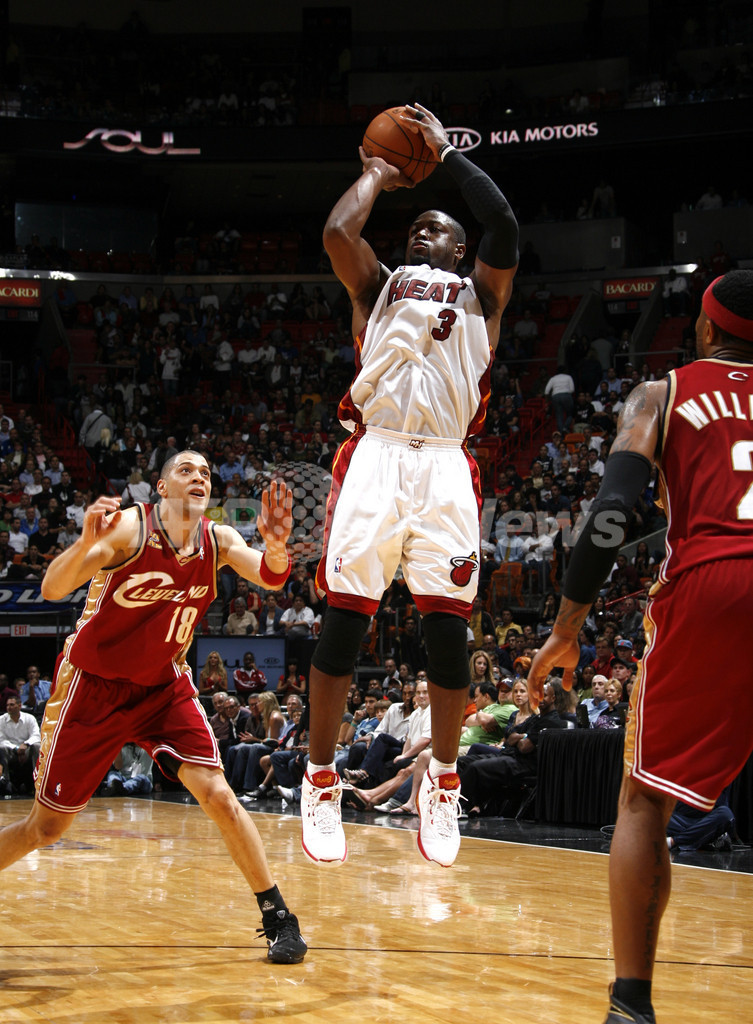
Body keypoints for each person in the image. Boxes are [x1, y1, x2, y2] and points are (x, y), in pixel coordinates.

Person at [528, 269, 753, 1023]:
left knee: (643, 800)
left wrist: (567, 627)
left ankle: (631, 1003)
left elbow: (612, 511)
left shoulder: (662, 394)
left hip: (714, 583)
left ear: (705, 329)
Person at [301, 101, 518, 868]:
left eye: (437, 229)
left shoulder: (482, 295)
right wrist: (374, 172)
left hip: (446, 464)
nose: (422, 235)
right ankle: (320, 778)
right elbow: (338, 233)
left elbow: (504, 223)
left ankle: (443, 781)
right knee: (345, 619)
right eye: (415, 228)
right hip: (379, 453)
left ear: (460, 249)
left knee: (447, 631)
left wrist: (445, 154)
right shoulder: (380, 286)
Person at [0, 451, 306, 964]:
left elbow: (272, 576)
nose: (199, 477)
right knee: (46, 829)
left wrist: (276, 546)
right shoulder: (129, 528)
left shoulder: (218, 540)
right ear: (161, 488)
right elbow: (53, 588)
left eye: (205, 472)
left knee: (219, 796)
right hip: (94, 687)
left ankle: (279, 917)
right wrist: (85, 544)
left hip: (163, 687)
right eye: (186, 470)